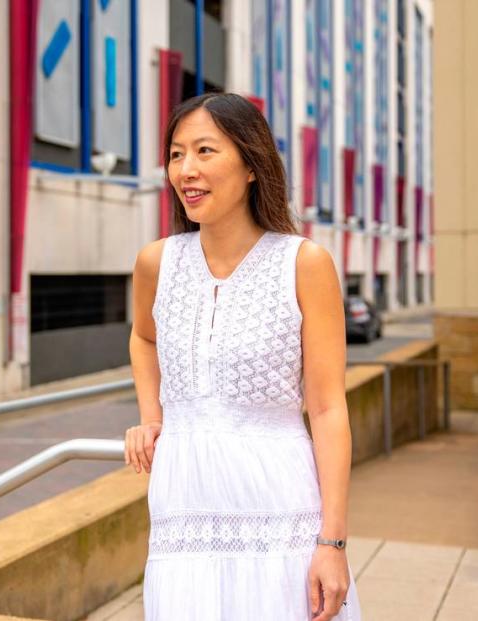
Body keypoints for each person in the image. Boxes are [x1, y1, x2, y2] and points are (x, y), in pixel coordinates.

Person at [124, 92, 361, 620]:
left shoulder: (304, 264)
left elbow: (327, 409)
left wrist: (333, 543)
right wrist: (152, 416)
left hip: (282, 508)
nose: (186, 169)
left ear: (252, 164)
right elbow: (143, 338)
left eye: (205, 151)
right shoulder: (156, 262)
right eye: (176, 153)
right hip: (182, 506)